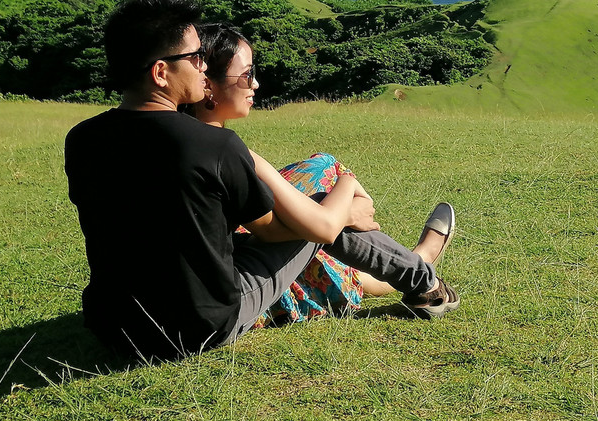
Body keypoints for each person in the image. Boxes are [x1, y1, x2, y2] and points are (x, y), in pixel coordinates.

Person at [65, 0, 459, 361]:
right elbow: (292, 231)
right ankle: (424, 283)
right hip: (199, 327)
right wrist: (343, 205)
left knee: (312, 211)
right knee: (318, 213)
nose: (203, 66)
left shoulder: (82, 139)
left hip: (113, 327)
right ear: (161, 72)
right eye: (196, 57)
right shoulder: (213, 146)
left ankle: (411, 273)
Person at [186, 21, 453, 319]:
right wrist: (347, 196)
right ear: (206, 84)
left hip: (214, 263)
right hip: (225, 290)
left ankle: (405, 270)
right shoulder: (224, 151)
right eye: (247, 75)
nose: (256, 84)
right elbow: (308, 228)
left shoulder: (176, 134)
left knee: (322, 167)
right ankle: (415, 270)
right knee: (318, 215)